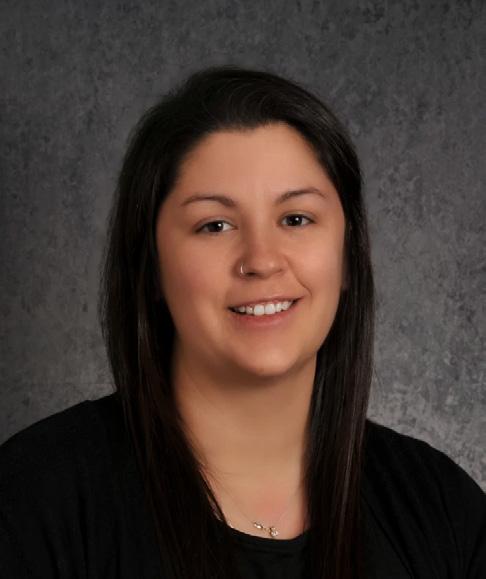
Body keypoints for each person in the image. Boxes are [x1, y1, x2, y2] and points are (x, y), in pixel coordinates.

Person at [0, 65, 484, 579]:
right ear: (152, 268)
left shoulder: (441, 509)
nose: (261, 260)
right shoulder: (34, 501)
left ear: (347, 254)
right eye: (215, 225)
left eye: (296, 219)